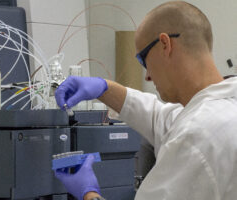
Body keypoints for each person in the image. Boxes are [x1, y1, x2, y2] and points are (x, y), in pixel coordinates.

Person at [54, 1, 237, 200]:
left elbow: (188, 130)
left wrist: (89, 194)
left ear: (165, 44)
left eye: (143, 59)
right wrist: (104, 88)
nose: (147, 75)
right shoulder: (222, 107)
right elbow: (160, 117)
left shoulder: (198, 135)